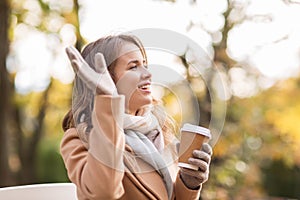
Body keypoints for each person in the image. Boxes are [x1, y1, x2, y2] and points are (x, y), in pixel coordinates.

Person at [60, 33, 213, 200]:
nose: (148, 74)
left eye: (144, 65)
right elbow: (104, 193)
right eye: (133, 67)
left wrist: (188, 182)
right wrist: (107, 100)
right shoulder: (81, 139)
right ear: (105, 78)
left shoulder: (160, 133)